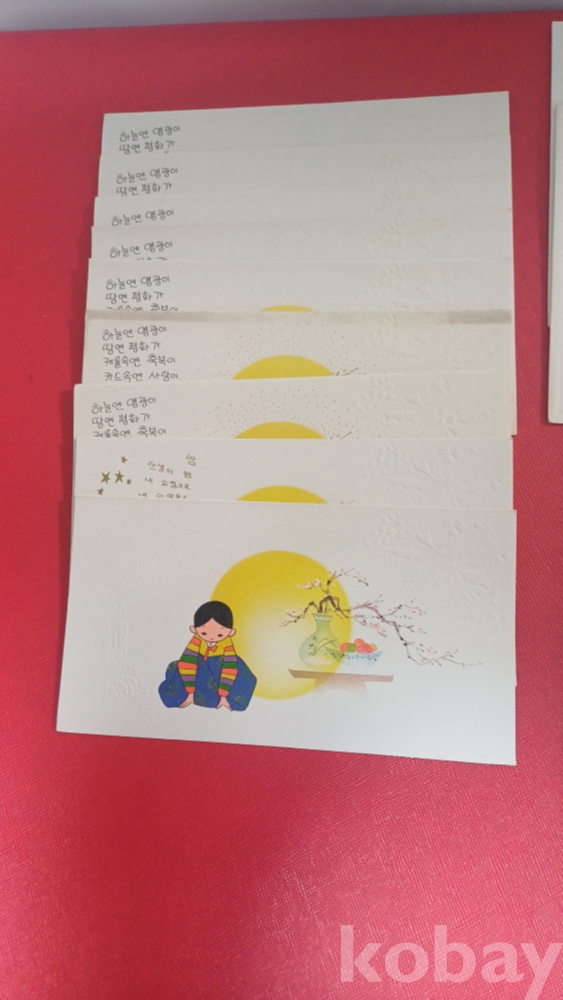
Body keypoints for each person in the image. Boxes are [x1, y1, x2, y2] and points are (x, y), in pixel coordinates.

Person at [158, 600, 256, 711]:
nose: (212, 637)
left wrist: (223, 696)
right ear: (194, 629)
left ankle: (221, 698)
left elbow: (230, 668)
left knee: (239, 667)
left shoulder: (228, 646)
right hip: (197, 671)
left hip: (220, 671)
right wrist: (190, 693)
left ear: (230, 632)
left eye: (220, 634)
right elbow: (187, 664)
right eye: (204, 633)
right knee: (179, 667)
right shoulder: (195, 643)